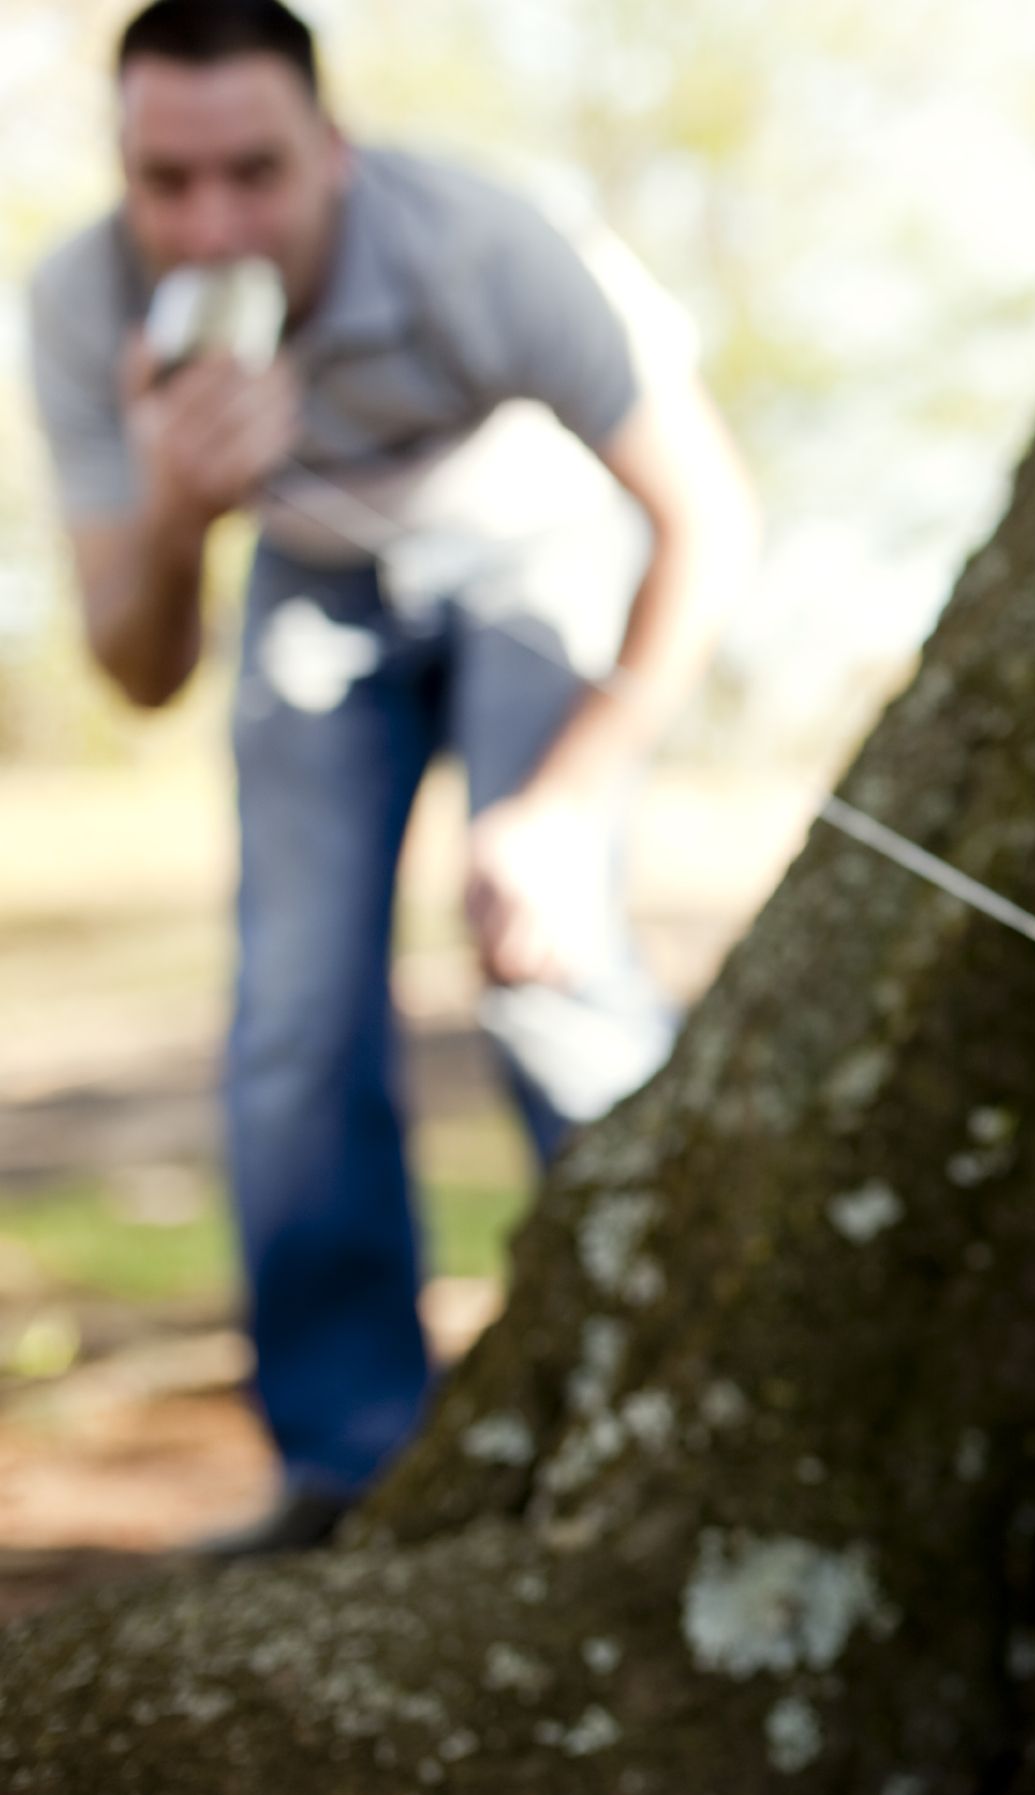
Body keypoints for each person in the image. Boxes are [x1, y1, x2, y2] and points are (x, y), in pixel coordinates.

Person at [22, 0, 761, 1555]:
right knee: (293, 1010)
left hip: (537, 544)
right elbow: (139, 666)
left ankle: (680, 1400)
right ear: (124, 173)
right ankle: (347, 1466)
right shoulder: (84, 305)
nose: (210, 221)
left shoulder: (476, 245)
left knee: (549, 978)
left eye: (253, 172)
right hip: (317, 587)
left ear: (330, 151)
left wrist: (560, 810)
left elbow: (706, 522)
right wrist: (174, 511)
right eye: (168, 180)